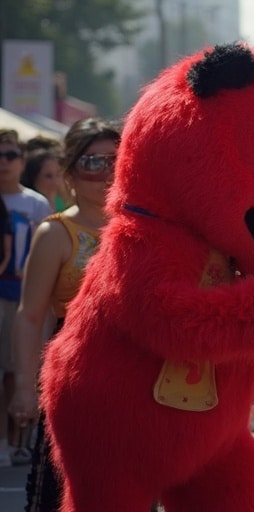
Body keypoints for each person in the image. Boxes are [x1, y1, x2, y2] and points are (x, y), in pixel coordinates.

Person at [9, 118, 120, 509]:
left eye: (115, 160)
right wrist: (25, 387)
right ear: (71, 169)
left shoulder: (143, 228)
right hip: (75, 384)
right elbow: (29, 315)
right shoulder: (56, 233)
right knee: (64, 493)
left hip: (137, 386)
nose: (105, 173)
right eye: (93, 163)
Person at [0, 129, 52, 468]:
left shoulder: (36, 204)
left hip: (22, 297)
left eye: (10, 156)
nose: (4, 163)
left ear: (21, 161)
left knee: (15, 370)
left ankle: (13, 441)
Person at [21, 148, 68, 213]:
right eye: (48, 176)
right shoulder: (27, 205)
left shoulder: (61, 202)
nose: (55, 182)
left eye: (58, 174)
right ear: (33, 178)